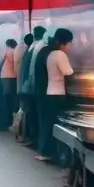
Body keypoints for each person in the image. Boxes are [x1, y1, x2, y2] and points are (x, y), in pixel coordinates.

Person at [35, 28, 74, 161]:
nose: (70, 46)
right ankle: (55, 154)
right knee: (57, 125)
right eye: (69, 43)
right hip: (57, 94)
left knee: (48, 123)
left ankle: (45, 151)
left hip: (49, 93)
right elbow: (69, 73)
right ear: (64, 42)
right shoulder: (60, 54)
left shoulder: (50, 53)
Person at [20, 26, 48, 145]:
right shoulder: (36, 46)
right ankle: (33, 137)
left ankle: (35, 138)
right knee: (32, 112)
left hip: (34, 85)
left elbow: (31, 68)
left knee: (35, 113)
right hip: (32, 85)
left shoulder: (39, 46)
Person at [0, 38, 19, 124]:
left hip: (5, 76)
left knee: (7, 97)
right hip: (11, 77)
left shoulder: (7, 51)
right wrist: (16, 74)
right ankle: (10, 118)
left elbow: (1, 63)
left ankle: (7, 118)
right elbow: (15, 63)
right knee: (11, 98)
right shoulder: (13, 51)